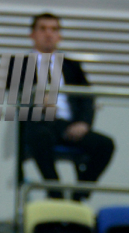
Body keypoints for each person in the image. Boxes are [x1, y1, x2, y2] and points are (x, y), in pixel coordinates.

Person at [19, 13, 115, 200]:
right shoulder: (20, 65)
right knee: (39, 134)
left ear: (60, 36)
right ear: (32, 34)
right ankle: (55, 190)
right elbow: (11, 97)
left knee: (105, 145)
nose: (48, 34)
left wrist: (84, 123)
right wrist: (35, 100)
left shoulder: (72, 66)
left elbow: (87, 98)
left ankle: (79, 195)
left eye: (54, 29)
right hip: (38, 123)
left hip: (68, 126)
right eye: (43, 29)